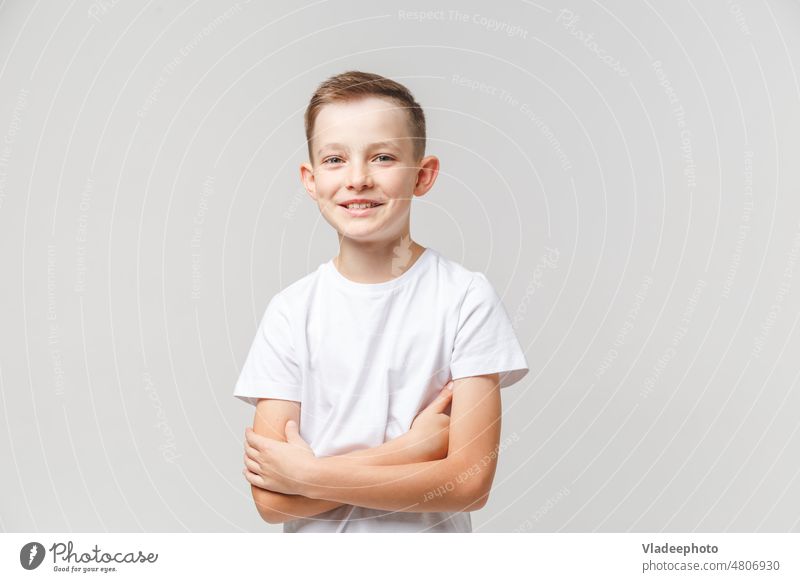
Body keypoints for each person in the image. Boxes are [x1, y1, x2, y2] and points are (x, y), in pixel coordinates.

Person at [235, 70, 529, 532]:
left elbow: (470, 485)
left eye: (383, 157)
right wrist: (409, 451)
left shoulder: (465, 299)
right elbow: (273, 502)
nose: (357, 179)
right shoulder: (291, 312)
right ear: (310, 180)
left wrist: (307, 475)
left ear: (423, 175)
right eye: (335, 159)